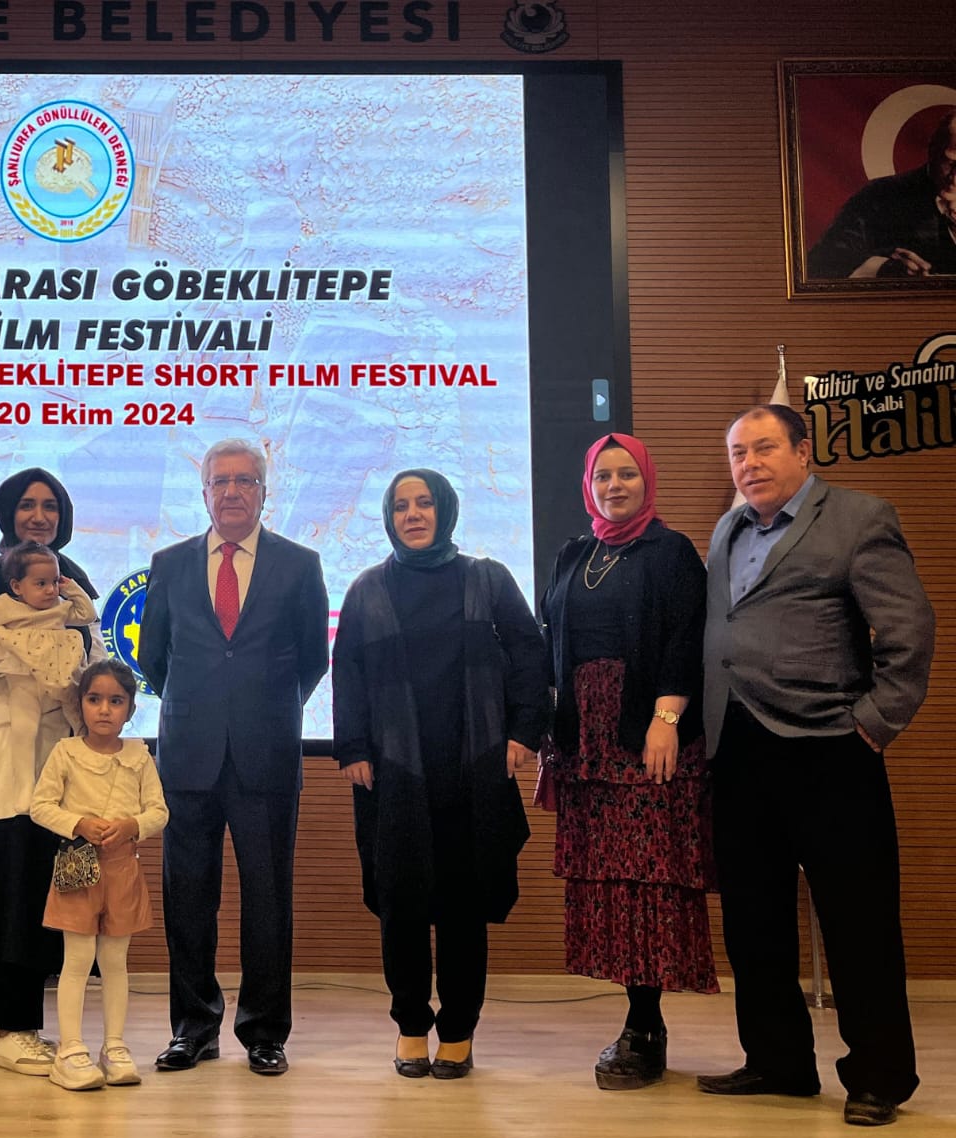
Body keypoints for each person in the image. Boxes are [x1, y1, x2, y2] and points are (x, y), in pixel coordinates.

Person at [700, 404, 934, 1127]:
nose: (749, 464)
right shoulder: (729, 526)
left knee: (858, 920)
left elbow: (908, 633)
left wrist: (872, 724)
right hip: (737, 750)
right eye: (738, 453)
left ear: (804, 451)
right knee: (753, 920)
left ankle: (877, 1077)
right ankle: (779, 1062)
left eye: (764, 447)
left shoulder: (859, 518)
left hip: (832, 749)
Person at [332, 468, 547, 1080]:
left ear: (445, 510)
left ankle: (457, 1029)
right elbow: (345, 673)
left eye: (424, 503)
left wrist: (525, 733)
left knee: (462, 907)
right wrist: (351, 748)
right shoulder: (367, 590)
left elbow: (531, 655)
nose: (413, 514)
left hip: (473, 772)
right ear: (388, 517)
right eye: (400, 506)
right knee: (401, 907)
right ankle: (409, 1026)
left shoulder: (488, 579)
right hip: (393, 774)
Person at [138, 437, 329, 1076]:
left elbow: (312, 661)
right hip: (187, 757)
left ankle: (265, 1031)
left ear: (265, 493)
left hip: (266, 757)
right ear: (204, 494)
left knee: (267, 899)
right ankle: (194, 1027)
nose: (232, 492)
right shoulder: (168, 564)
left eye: (245, 481)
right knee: (187, 898)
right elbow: (154, 659)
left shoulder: (300, 565)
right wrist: (205, 709)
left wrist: (260, 710)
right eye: (220, 482)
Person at [538, 435, 717, 1090]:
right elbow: (549, 641)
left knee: (646, 879)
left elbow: (685, 637)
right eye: (603, 476)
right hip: (585, 742)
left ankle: (646, 1026)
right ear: (588, 484)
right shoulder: (572, 554)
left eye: (626, 475)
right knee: (607, 883)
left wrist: (666, 718)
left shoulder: (670, 553)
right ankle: (634, 1018)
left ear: (647, 480)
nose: (615, 486)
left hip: (645, 734)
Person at [0, 468, 102, 1076]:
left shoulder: (74, 582)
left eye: (50, 507)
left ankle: (7, 1014)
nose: (38, 516)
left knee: (52, 888)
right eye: (27, 506)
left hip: (63, 761)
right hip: (7, 759)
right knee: (6, 882)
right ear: (7, 513)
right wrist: (38, 653)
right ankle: (12, 1024)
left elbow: (90, 661)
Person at [29, 660, 169, 1091]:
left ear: (129, 709)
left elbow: (159, 811)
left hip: (123, 868)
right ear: (80, 704)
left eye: (115, 701)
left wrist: (132, 826)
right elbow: (41, 806)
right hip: (77, 864)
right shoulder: (65, 753)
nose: (104, 709)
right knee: (76, 960)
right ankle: (71, 1049)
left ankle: (114, 1045)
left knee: (114, 962)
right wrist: (79, 823)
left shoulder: (139, 755)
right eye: (94, 699)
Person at [0, 540, 100, 811]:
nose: (50, 590)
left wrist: (71, 588)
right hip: (23, 681)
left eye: (54, 582)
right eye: (41, 583)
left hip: (61, 677)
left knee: (78, 725)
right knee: (24, 728)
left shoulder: (60, 606)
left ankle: (75, 782)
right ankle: (24, 788)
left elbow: (87, 613)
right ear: (17, 586)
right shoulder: (2, 606)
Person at [807, 108, 956, 278]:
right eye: (950, 162)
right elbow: (821, 262)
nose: (955, 179)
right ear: (932, 151)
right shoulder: (880, 196)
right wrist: (884, 268)